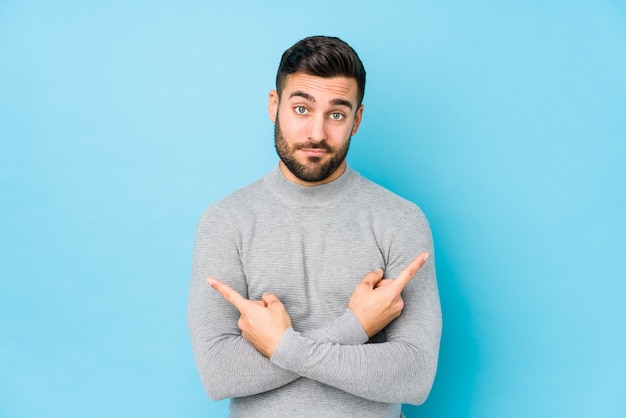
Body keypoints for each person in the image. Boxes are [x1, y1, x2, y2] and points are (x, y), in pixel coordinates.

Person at [188, 35, 442, 418]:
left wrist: (278, 344)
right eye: (302, 108)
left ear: (356, 120)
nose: (317, 133)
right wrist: (356, 327)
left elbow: (414, 377)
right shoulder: (225, 221)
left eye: (337, 114)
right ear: (274, 106)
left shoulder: (400, 220)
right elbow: (220, 374)